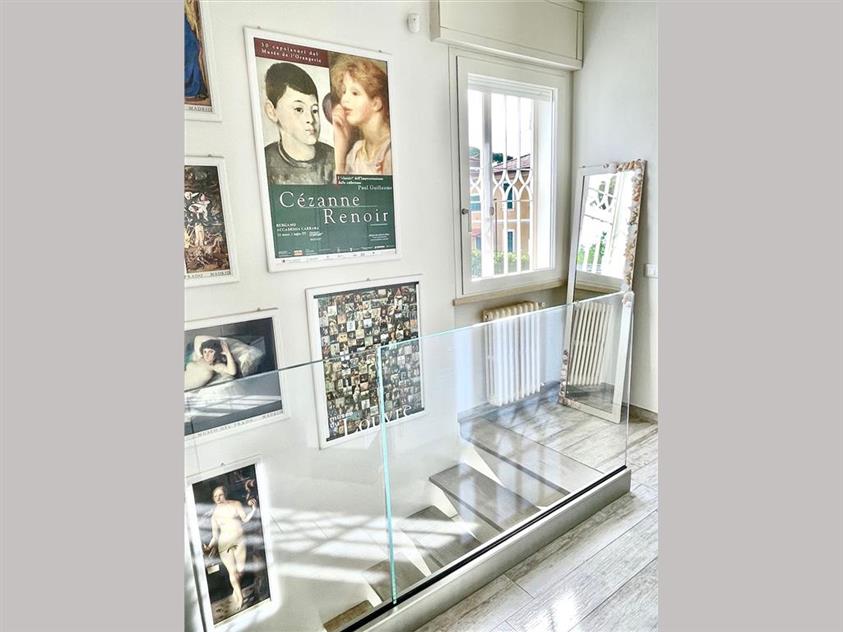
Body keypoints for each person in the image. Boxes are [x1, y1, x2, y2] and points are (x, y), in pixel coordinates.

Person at [263, 63, 335, 185]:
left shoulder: (335, 159)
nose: (310, 119)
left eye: (314, 110)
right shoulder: (265, 161)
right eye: (299, 109)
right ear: (272, 112)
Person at [330, 56, 392, 176]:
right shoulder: (356, 151)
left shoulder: (391, 149)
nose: (343, 100)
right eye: (344, 92)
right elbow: (340, 187)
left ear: (376, 103)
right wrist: (340, 147)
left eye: (355, 93)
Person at [203, 485, 258, 612]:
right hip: (224, 544)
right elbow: (215, 536)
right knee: (232, 572)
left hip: (239, 541)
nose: (218, 498)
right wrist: (209, 547)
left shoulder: (236, 504)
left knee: (240, 570)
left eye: (220, 495)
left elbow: (245, 519)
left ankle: (235, 590)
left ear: (225, 494)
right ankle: (240, 598)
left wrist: (254, 509)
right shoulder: (214, 515)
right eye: (215, 497)